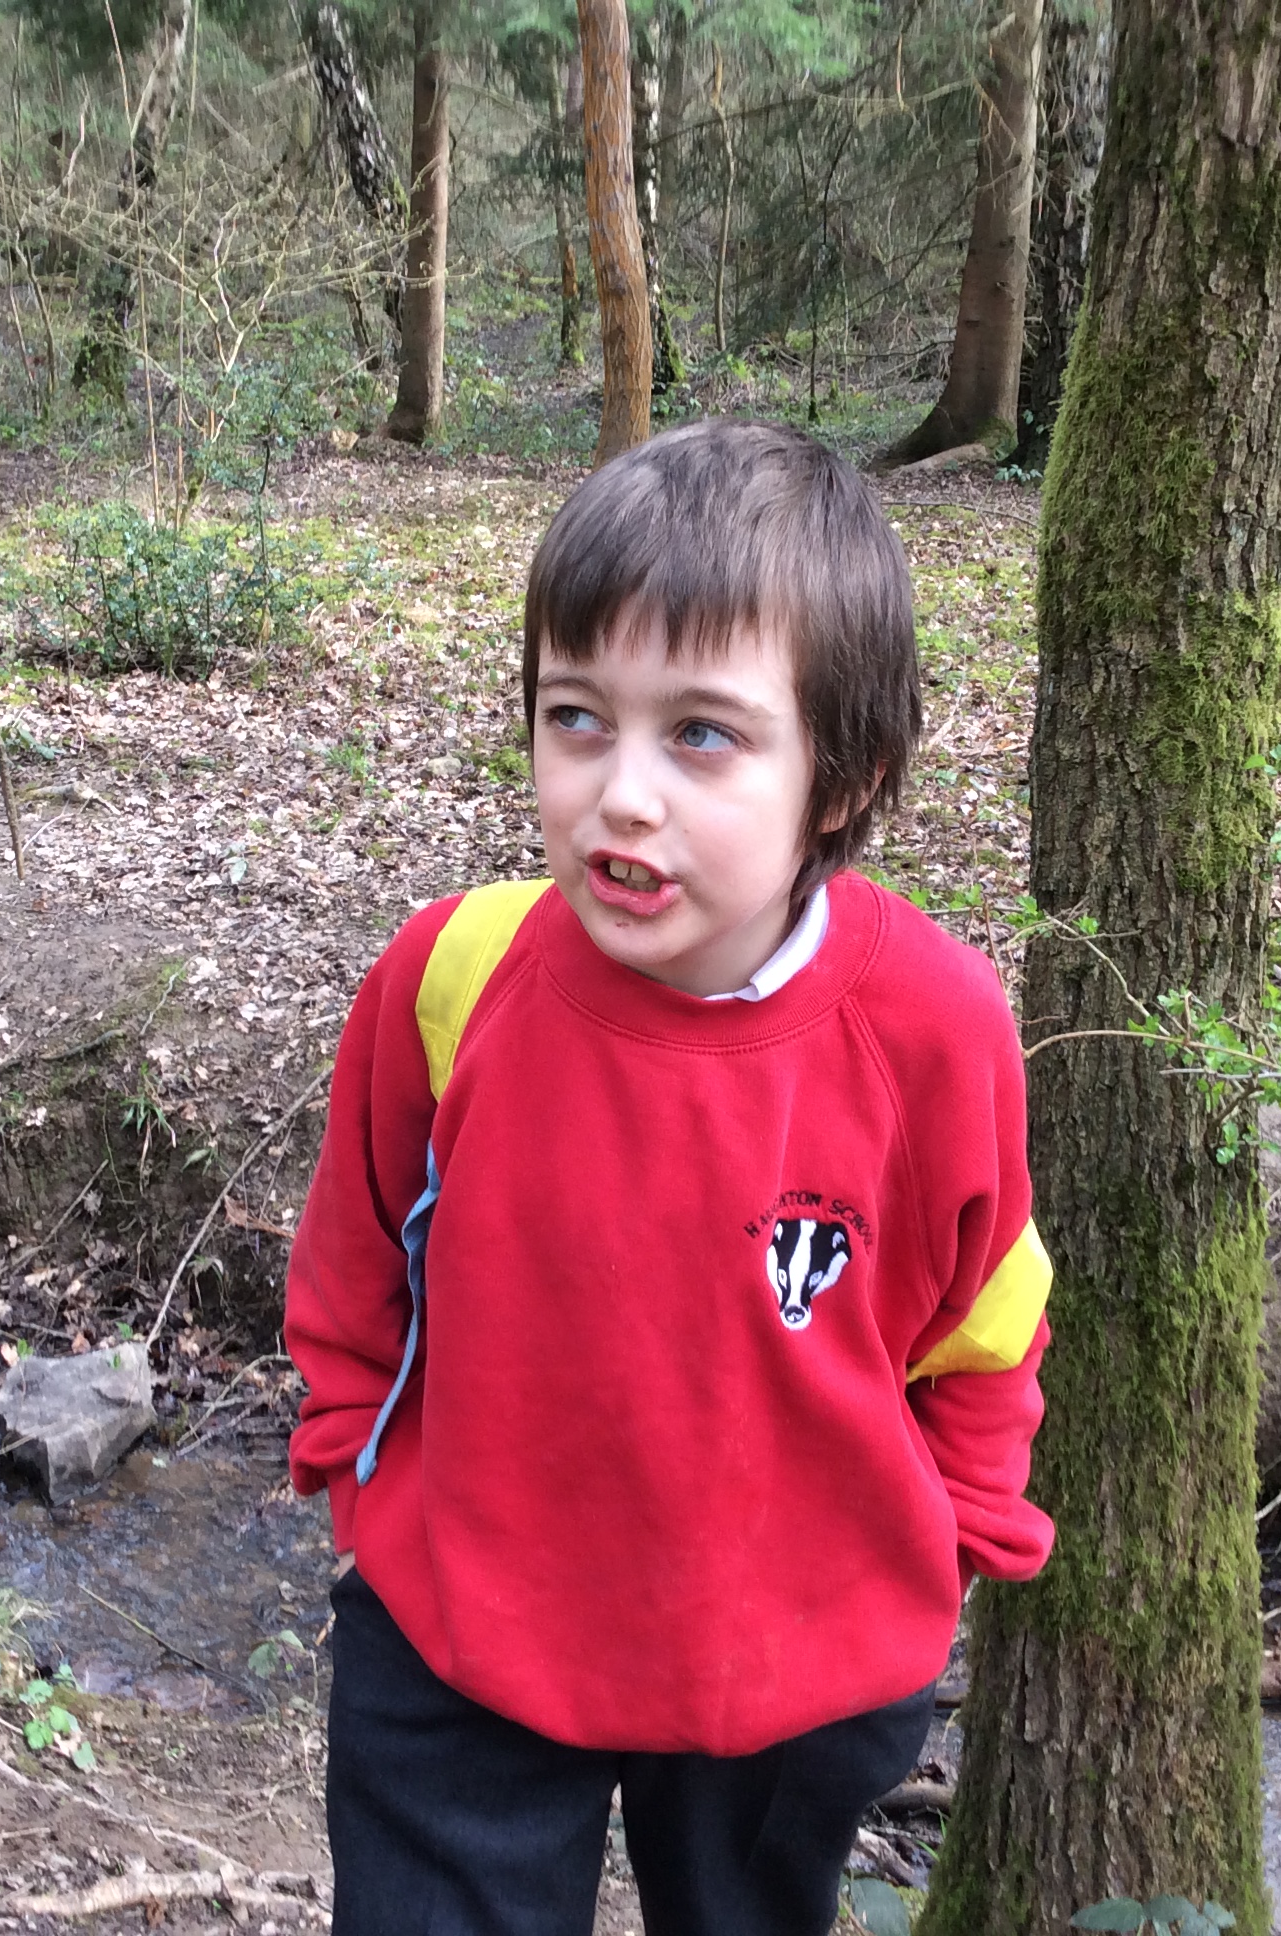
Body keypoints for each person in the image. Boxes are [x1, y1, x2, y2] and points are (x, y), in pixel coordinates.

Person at [284, 418, 1055, 1936]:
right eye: (576, 716)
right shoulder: (453, 976)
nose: (621, 794)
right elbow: (358, 1244)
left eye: (702, 735)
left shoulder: (934, 1029)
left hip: (791, 1674)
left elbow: (987, 1313)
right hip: (465, 1640)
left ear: (843, 777)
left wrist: (956, 1538)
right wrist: (351, 1462)